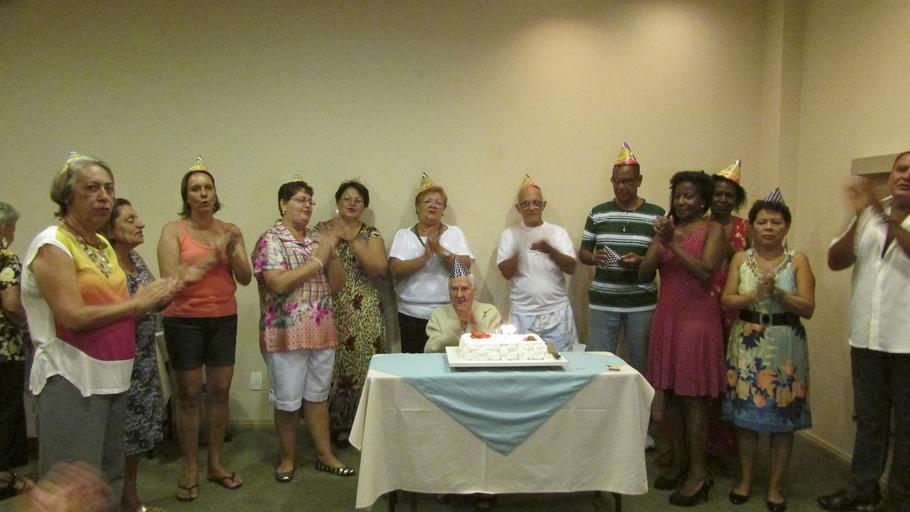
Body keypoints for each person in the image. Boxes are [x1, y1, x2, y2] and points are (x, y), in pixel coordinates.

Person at [20, 154, 175, 503]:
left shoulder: (102, 245)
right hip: (72, 378)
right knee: (72, 489)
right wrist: (139, 303)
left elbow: (115, 307)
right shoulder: (53, 244)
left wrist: (159, 293)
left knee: (107, 481)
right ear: (67, 196)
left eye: (109, 188)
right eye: (92, 188)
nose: (104, 196)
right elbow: (73, 315)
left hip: (114, 377)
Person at [819, 151, 910, 512]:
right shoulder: (870, 213)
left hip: (907, 341)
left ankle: (900, 498)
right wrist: (861, 215)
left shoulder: (879, 213)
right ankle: (862, 489)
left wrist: (878, 214)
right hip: (866, 336)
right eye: (901, 168)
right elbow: (836, 260)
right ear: (891, 175)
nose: (906, 175)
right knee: (869, 420)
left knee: (907, 426)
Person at [157, 157, 252, 501]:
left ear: (215, 193)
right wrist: (213, 255)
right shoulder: (173, 231)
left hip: (223, 317)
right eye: (195, 189)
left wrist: (235, 246)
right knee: (188, 394)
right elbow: (171, 278)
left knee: (220, 391)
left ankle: (215, 463)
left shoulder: (229, 230)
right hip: (184, 320)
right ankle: (189, 468)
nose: (203, 194)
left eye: (208, 188)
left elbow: (245, 277)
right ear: (186, 196)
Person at [252, 177, 355, 483]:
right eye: (300, 200)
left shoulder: (316, 240)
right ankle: (287, 458)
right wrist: (317, 261)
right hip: (285, 332)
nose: (307, 206)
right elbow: (278, 283)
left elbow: (337, 284)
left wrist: (331, 255)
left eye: (310, 200)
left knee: (318, 397)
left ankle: (324, 455)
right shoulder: (271, 239)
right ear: (283, 204)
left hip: (321, 330)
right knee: (288, 401)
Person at [721, 193, 815, 512]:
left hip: (786, 344)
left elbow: (808, 307)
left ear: (786, 227)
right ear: (751, 227)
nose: (769, 227)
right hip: (747, 342)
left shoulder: (798, 260)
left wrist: (779, 294)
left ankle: (775, 486)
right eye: (762, 222)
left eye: (776, 222)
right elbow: (726, 300)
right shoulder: (740, 259)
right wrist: (754, 295)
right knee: (745, 417)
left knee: (783, 417)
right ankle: (746, 479)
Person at [639, 170, 726, 506]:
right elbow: (645, 273)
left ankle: (699, 473)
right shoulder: (666, 229)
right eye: (678, 195)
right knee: (672, 395)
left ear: (702, 200)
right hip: (668, 319)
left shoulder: (713, 229)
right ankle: (680, 462)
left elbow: (705, 273)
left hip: (697, 322)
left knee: (693, 399)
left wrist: (673, 242)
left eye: (689, 195)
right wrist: (659, 241)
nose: (682, 201)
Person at [105, 199, 188, 512]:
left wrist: (176, 285)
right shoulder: (105, 263)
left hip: (142, 359)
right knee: (115, 437)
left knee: (136, 436)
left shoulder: (135, 260)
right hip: (114, 361)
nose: (140, 224)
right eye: (130, 220)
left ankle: (130, 500)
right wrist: (147, 300)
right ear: (110, 229)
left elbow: (155, 299)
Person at [579, 143, 665, 374]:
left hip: (641, 301)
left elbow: (663, 258)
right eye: (616, 181)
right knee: (598, 363)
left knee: (641, 363)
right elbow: (583, 253)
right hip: (603, 300)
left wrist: (641, 260)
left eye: (627, 181)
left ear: (639, 180)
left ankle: (640, 400)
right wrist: (595, 258)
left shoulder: (657, 214)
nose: (621, 186)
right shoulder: (598, 213)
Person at [317, 180, 388, 449]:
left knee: (361, 366)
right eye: (346, 198)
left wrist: (351, 240)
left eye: (358, 200)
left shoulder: (371, 234)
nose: (352, 203)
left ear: (364, 207)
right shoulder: (322, 229)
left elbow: (379, 269)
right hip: (328, 307)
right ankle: (329, 425)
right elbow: (314, 263)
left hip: (364, 311)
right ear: (337, 202)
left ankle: (359, 427)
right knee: (330, 368)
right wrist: (335, 237)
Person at [389, 173, 474, 353]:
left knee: (448, 361)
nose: (433, 205)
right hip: (410, 314)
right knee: (414, 365)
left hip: (448, 313)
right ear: (417, 207)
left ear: (443, 209)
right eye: (427, 201)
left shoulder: (454, 233)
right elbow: (394, 270)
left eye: (438, 202)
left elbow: (465, 266)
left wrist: (440, 251)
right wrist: (424, 258)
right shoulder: (404, 235)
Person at [497, 176, 577, 352]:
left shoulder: (557, 232)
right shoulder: (509, 235)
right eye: (525, 204)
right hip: (522, 314)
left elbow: (572, 268)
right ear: (518, 208)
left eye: (536, 203)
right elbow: (506, 273)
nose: (531, 208)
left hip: (556, 312)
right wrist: (519, 251)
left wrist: (550, 250)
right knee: (523, 362)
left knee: (561, 361)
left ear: (543, 205)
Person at [706, 160, 749, 461]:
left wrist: (731, 251)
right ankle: (702, 443)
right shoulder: (700, 225)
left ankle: (727, 446)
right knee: (705, 377)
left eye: (728, 195)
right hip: (702, 306)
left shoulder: (747, 228)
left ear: (737, 199)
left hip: (734, 310)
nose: (722, 199)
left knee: (730, 377)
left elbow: (755, 265)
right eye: (717, 194)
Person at [0, 202, 33, 500]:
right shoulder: (6, 258)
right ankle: (4, 477)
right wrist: (27, 327)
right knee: (6, 411)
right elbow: (11, 304)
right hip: (5, 350)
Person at [424, 259, 502, 353]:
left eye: (464, 288)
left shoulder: (490, 312)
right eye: (454, 289)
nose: (459, 294)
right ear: (449, 291)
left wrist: (475, 325)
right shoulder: (439, 314)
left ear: (474, 290)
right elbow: (429, 349)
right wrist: (456, 329)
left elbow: (497, 347)